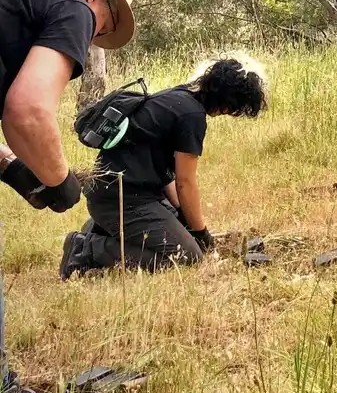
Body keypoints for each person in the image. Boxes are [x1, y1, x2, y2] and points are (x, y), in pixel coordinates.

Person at [0, 0, 137, 393]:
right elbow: (29, 111)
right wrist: (60, 181)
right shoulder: (71, 4)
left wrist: (10, 168)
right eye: (100, 30)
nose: (89, 39)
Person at [58, 54, 268, 279]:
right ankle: (86, 249)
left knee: (181, 231)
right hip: (123, 200)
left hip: (116, 195)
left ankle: (99, 228)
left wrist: (183, 218)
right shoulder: (192, 116)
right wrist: (201, 233)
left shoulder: (177, 97)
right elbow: (185, 182)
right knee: (187, 259)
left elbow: (168, 176)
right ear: (228, 100)